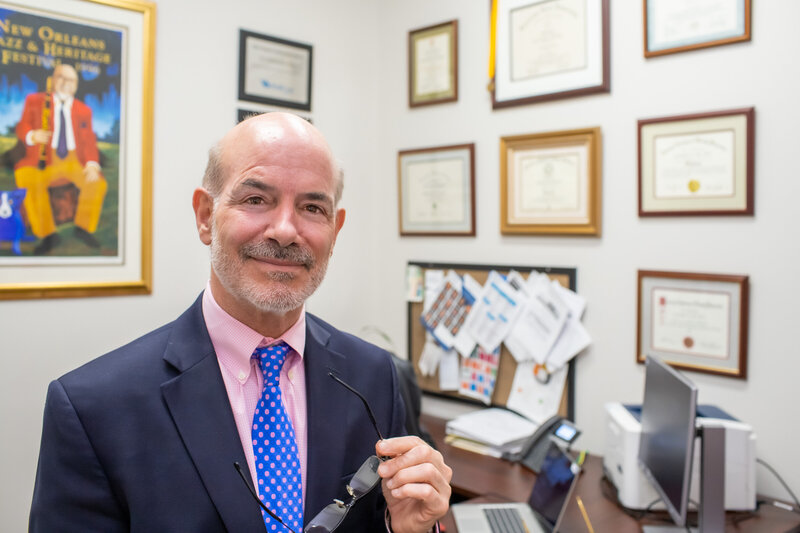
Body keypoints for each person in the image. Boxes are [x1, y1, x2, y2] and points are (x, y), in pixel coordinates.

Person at [29, 112, 452, 532]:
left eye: (311, 207)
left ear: (335, 230)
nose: (285, 231)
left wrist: (407, 530)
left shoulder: (374, 376)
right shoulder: (94, 408)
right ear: (204, 216)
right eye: (255, 200)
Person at [14, 63, 107, 255]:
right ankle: (47, 234)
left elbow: (89, 139)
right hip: (45, 158)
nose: (66, 83)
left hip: (74, 160)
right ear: (53, 80)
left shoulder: (84, 110)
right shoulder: (35, 101)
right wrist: (32, 135)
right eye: (62, 78)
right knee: (28, 179)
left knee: (97, 183)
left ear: (76, 84)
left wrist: (91, 164)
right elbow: (22, 126)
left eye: (71, 80)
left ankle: (84, 228)